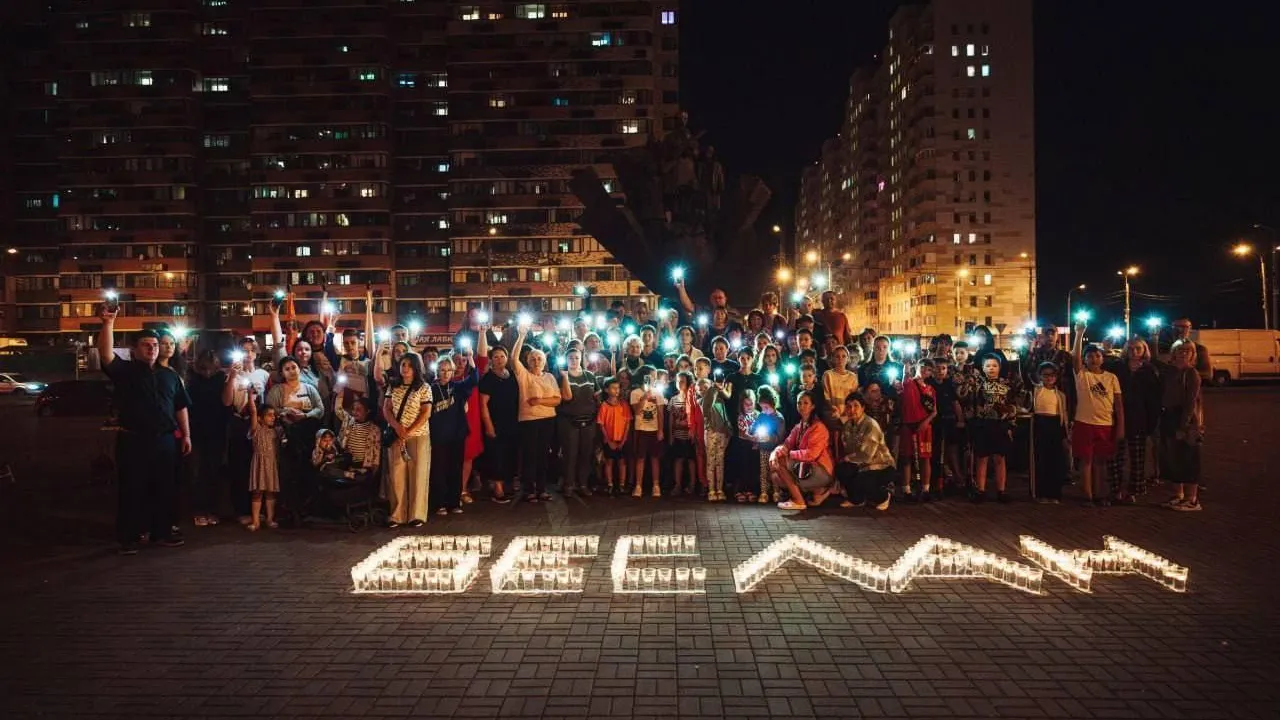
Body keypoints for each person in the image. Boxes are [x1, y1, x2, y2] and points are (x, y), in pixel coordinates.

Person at [98, 307, 192, 555]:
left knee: (164, 488)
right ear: (135, 349)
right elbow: (106, 355)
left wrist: (187, 435)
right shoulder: (126, 372)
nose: (152, 348)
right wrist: (109, 323)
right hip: (134, 440)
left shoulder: (169, 376)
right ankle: (129, 537)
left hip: (165, 441)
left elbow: (181, 406)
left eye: (154, 345)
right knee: (132, 488)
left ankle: (160, 532)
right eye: (146, 345)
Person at [1071, 322, 1124, 506]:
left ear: (1103, 358)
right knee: (1086, 460)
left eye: (1097, 355)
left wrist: (1120, 427)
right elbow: (1074, 359)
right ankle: (1087, 495)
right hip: (1084, 422)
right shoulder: (1082, 375)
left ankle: (1100, 493)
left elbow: (1118, 404)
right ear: (1085, 359)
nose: (1093, 359)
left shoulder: (1111, 378)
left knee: (1100, 462)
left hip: (1105, 424)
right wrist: (1079, 333)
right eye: (1090, 356)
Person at [1106, 337, 1161, 502]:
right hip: (1117, 417)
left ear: (1144, 350)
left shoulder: (1149, 370)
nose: (1134, 352)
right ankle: (1116, 489)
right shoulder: (1117, 367)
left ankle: (1134, 490)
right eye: (1130, 348)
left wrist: (1151, 423)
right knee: (1116, 457)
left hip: (1139, 418)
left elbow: (1154, 399)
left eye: (1138, 348)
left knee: (1137, 458)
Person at [511, 323, 561, 503]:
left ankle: (541, 488)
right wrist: (521, 335)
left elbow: (557, 399)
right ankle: (529, 489)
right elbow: (513, 359)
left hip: (547, 420)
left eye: (539, 358)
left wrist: (540, 401)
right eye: (533, 358)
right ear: (528, 361)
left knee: (543, 454)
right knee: (529, 455)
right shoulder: (524, 375)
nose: (536, 361)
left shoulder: (550, 377)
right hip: (529, 420)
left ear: (544, 361)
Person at [223, 336, 270, 525]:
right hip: (239, 423)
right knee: (240, 467)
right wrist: (233, 377)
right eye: (244, 350)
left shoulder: (263, 375)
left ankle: (260, 509)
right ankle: (241, 509)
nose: (248, 354)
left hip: (258, 423)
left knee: (259, 466)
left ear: (256, 353)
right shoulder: (232, 375)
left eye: (251, 350)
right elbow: (226, 401)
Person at [382, 353, 433, 526]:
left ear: (416, 368)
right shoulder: (393, 386)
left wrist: (409, 431)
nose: (405, 368)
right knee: (396, 474)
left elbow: (426, 412)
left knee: (418, 474)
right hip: (397, 434)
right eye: (403, 364)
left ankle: (416, 514)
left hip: (418, 436)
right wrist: (397, 427)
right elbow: (386, 409)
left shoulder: (424, 387)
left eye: (410, 365)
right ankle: (397, 514)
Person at [963, 353, 1019, 503]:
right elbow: (968, 400)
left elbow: (1012, 405)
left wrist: (1011, 425)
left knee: (1000, 458)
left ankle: (1001, 490)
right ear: (983, 368)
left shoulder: (1006, 385)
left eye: (994, 365)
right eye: (988, 365)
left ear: (1000, 367)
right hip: (983, 424)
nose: (991, 368)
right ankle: (980, 490)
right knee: (982, 458)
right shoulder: (978, 384)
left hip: (1000, 425)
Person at [428, 354, 477, 515]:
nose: (446, 373)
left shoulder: (457, 387)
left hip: (457, 435)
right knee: (439, 470)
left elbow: (474, 378)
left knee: (455, 469)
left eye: (449, 370)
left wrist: (470, 357)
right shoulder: (431, 389)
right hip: (438, 437)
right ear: (437, 371)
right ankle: (439, 503)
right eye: (442, 370)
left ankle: (454, 502)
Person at [769, 392, 835, 511]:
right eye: (799, 403)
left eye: (805, 403)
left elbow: (811, 454)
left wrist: (788, 454)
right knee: (775, 475)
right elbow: (786, 444)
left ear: (813, 406)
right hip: (807, 467)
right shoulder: (799, 426)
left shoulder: (818, 427)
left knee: (782, 462)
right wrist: (775, 453)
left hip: (821, 469)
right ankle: (817, 491)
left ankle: (799, 500)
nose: (801, 406)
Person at [1160, 342, 1204, 511]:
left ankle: (1192, 499)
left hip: (1184, 418)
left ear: (1193, 354)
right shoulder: (1169, 371)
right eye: (1180, 350)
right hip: (1168, 415)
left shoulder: (1191, 373)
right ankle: (1177, 495)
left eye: (1188, 351)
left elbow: (1191, 401)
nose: (1183, 353)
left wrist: (1183, 426)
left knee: (1189, 458)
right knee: (1173, 458)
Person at [186, 349, 228, 527]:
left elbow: (226, 402)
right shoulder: (193, 379)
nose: (208, 371)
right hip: (198, 430)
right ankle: (200, 510)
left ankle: (211, 510)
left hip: (216, 429)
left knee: (213, 470)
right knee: (198, 471)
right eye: (205, 367)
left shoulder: (220, 378)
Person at [835, 391, 895, 511]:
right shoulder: (847, 425)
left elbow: (866, 455)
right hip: (860, 464)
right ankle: (857, 500)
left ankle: (883, 497)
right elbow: (848, 448)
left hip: (880, 465)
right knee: (842, 469)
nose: (852, 409)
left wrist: (848, 458)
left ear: (863, 408)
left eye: (856, 406)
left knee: (862, 480)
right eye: (848, 406)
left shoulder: (870, 424)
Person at [478, 344, 519, 503]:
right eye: (495, 357)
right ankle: (498, 489)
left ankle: (506, 485)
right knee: (496, 456)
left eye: (502, 356)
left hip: (511, 422)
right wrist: (488, 425)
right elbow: (483, 404)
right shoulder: (488, 378)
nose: (499, 359)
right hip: (495, 422)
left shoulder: (512, 376)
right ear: (491, 359)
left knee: (509, 454)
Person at [558, 347, 599, 497]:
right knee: (570, 454)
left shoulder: (590, 376)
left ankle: (583, 484)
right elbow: (565, 398)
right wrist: (565, 378)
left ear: (581, 358)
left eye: (576, 357)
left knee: (586, 454)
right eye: (570, 358)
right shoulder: (562, 376)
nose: (574, 361)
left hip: (588, 422)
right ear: (566, 360)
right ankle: (569, 485)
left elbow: (597, 396)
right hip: (569, 422)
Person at [1027, 361, 1070, 503]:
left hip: (1055, 426)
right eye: (1045, 375)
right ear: (1039, 376)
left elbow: (1063, 415)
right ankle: (1040, 493)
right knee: (1041, 461)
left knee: (1055, 461)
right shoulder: (1035, 391)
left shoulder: (1061, 395)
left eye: (1052, 375)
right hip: (1039, 425)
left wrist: (1065, 434)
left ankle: (1054, 494)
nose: (1049, 378)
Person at [899, 359, 938, 501]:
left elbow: (934, 411)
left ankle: (925, 489)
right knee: (906, 458)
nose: (924, 371)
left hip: (924, 426)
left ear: (931, 373)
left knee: (925, 458)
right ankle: (907, 490)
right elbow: (905, 376)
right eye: (922, 367)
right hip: (908, 425)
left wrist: (925, 423)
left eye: (928, 369)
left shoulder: (930, 389)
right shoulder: (908, 383)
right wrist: (906, 365)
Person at [928, 357, 965, 494]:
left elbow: (955, 403)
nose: (940, 371)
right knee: (935, 452)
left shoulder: (949, 385)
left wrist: (960, 419)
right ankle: (936, 481)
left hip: (948, 420)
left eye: (943, 368)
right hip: (934, 421)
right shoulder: (929, 384)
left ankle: (956, 476)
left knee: (952, 450)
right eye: (937, 368)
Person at [245, 392, 281, 531]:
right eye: (269, 415)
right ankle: (255, 521)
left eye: (274, 415)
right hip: (259, 463)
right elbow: (253, 412)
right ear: (260, 418)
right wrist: (250, 398)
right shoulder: (256, 430)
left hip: (271, 464)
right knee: (257, 492)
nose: (273, 417)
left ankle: (270, 519)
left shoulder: (275, 432)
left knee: (271, 492)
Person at [629, 366, 666, 498]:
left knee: (655, 458)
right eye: (651, 376)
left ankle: (656, 485)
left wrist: (660, 430)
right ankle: (638, 485)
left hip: (654, 429)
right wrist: (645, 397)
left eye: (655, 376)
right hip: (640, 429)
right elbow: (637, 411)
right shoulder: (635, 393)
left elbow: (661, 414)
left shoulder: (658, 393)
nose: (654, 379)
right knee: (640, 458)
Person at [596, 376, 632, 495]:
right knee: (609, 462)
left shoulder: (624, 404)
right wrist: (608, 440)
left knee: (622, 462)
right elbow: (601, 424)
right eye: (613, 388)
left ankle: (622, 484)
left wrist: (624, 439)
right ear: (606, 390)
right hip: (609, 439)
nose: (616, 390)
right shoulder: (604, 406)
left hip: (621, 438)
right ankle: (610, 484)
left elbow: (627, 422)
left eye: (618, 388)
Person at [699, 375, 732, 501]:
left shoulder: (720, 400)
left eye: (706, 387)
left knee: (720, 462)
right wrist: (712, 390)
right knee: (711, 462)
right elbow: (707, 407)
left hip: (722, 433)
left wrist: (720, 388)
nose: (704, 390)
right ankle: (711, 490)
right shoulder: (703, 401)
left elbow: (727, 396)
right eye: (701, 389)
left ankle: (719, 489)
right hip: (710, 432)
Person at [335, 391, 380, 476]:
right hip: (347, 462)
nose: (354, 412)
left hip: (363, 465)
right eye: (353, 409)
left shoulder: (374, 429)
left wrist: (375, 467)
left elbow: (376, 449)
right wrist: (340, 395)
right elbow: (338, 410)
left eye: (358, 409)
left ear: (367, 411)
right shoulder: (348, 421)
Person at [752, 386, 785, 503]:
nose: (764, 410)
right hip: (763, 449)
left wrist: (770, 438)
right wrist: (755, 433)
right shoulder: (761, 416)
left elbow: (780, 436)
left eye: (766, 407)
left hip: (774, 450)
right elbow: (753, 428)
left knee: (774, 471)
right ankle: (764, 492)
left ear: (773, 404)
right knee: (763, 471)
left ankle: (776, 492)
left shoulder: (779, 418)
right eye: (762, 408)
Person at [666, 370, 697, 495]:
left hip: (690, 435)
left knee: (691, 460)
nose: (679, 384)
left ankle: (693, 484)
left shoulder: (693, 398)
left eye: (682, 381)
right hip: (678, 435)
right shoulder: (673, 399)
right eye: (678, 381)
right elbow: (671, 418)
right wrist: (671, 435)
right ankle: (678, 485)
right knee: (678, 459)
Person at [729, 388, 760, 503]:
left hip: (755, 445)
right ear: (742, 404)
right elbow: (742, 432)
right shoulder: (741, 416)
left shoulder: (758, 415)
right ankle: (739, 490)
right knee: (743, 467)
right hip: (743, 445)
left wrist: (757, 439)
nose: (749, 406)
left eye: (751, 403)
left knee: (753, 468)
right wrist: (752, 438)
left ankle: (751, 490)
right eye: (746, 404)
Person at [858, 336, 904, 401]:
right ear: (873, 348)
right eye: (877, 347)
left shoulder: (898, 367)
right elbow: (861, 388)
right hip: (870, 403)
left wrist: (897, 386)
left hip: (890, 403)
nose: (881, 350)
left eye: (884, 347)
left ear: (888, 349)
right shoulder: (863, 368)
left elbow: (901, 389)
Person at [1170, 318, 1212, 384]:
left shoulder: (1200, 349)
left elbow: (1207, 374)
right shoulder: (1165, 348)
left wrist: (1185, 371)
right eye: (1176, 327)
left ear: (1190, 329)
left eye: (1184, 327)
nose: (1180, 330)